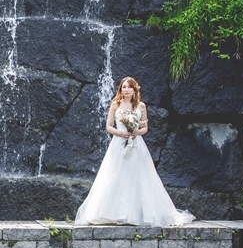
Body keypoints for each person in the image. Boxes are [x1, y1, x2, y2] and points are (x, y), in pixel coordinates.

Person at [74, 76, 194, 226]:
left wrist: (135, 132)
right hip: (118, 143)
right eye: (123, 87)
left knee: (138, 177)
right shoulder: (115, 105)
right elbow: (109, 126)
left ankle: (136, 215)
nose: (126, 89)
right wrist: (121, 133)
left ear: (134, 89)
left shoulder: (141, 106)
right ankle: (114, 213)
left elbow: (145, 128)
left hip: (136, 144)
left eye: (129, 87)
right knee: (115, 176)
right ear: (120, 89)